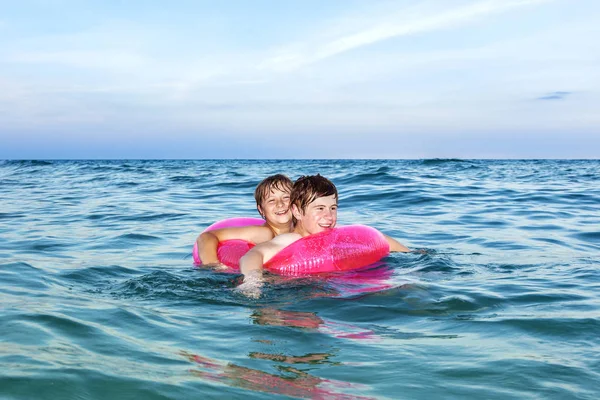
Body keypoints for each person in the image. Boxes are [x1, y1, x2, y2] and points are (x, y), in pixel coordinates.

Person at [239, 175, 409, 291]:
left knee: (405, 287)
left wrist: (412, 255)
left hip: (338, 284)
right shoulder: (292, 239)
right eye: (319, 208)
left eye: (333, 208)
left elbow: (378, 239)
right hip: (296, 288)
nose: (328, 216)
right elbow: (253, 255)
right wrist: (252, 282)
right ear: (297, 212)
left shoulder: (333, 233)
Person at [195, 174, 293, 266]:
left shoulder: (300, 230)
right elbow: (206, 236)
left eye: (286, 198)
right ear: (261, 210)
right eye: (271, 200)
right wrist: (213, 264)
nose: (280, 204)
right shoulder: (263, 232)